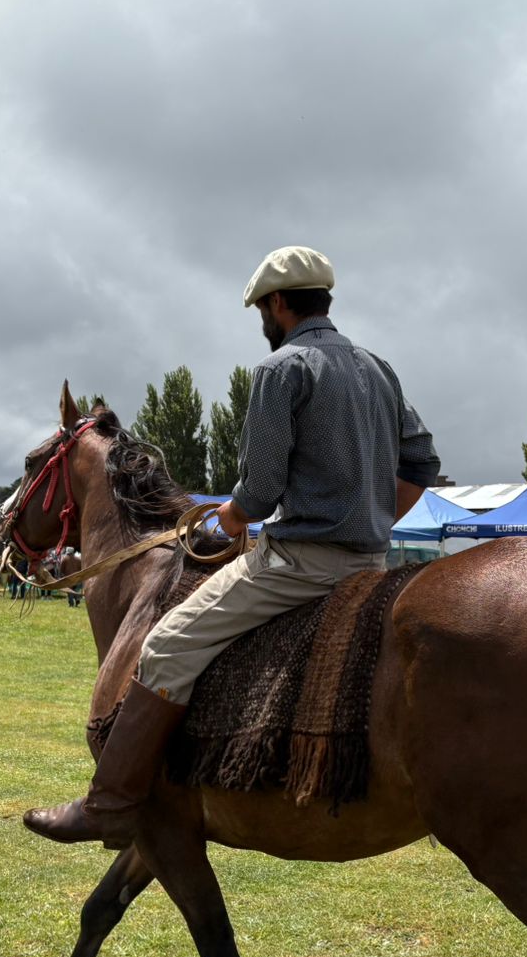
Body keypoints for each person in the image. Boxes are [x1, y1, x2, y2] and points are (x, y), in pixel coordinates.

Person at [26, 245, 439, 845]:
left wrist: (226, 519)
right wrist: (370, 517)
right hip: (371, 563)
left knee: (165, 645)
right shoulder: (378, 368)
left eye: (261, 313)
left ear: (277, 304)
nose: (263, 324)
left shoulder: (282, 370)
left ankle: (109, 803)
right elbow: (422, 463)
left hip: (300, 564)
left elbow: (261, 493)